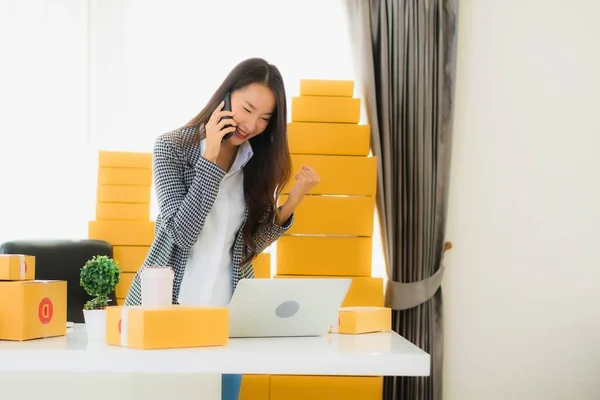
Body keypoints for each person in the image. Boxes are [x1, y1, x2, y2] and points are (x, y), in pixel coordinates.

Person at [124, 58, 320, 400]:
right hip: (167, 310)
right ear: (226, 95)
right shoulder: (172, 148)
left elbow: (245, 248)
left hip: (228, 316)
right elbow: (181, 234)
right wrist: (210, 160)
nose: (253, 124)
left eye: (265, 118)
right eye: (247, 109)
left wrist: (290, 204)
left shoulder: (254, 161)